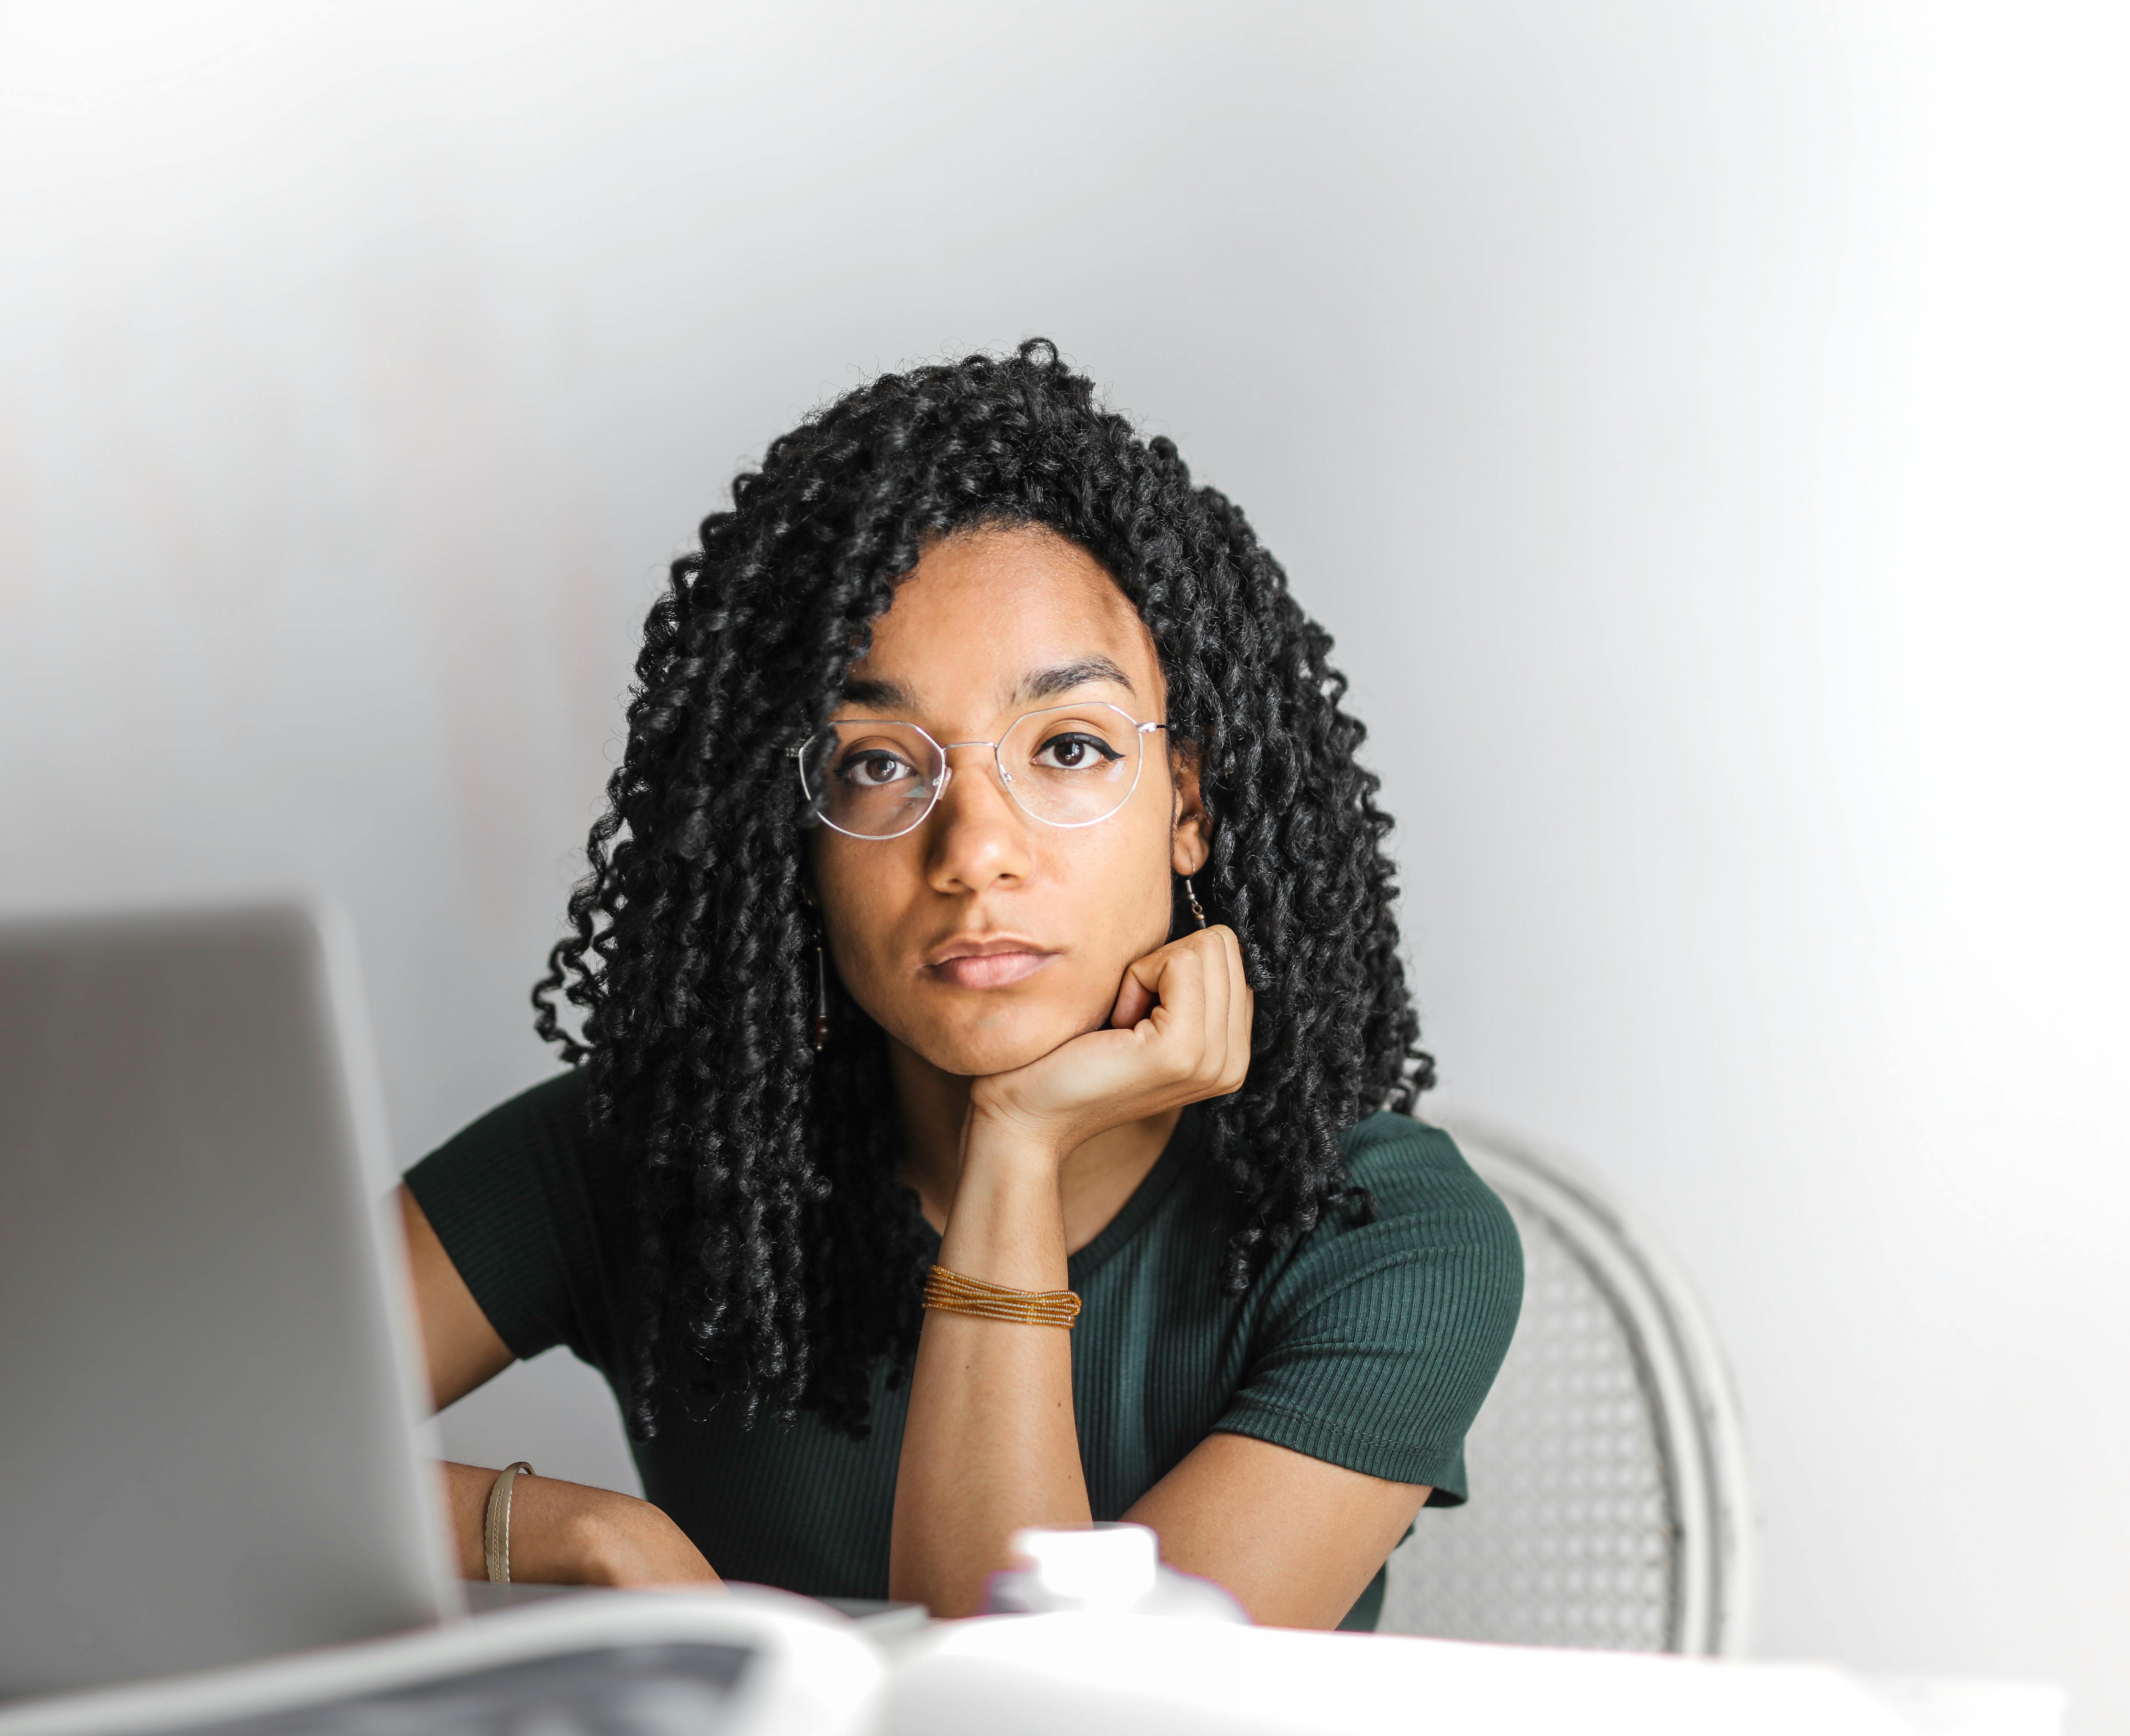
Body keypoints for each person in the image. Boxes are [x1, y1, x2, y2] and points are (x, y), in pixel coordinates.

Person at [403, 341, 1523, 1628]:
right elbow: (154, 1443)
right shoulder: (663, 1151)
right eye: (879, 763)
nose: (975, 849)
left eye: (1067, 746)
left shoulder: (1383, 1233)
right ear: (799, 832)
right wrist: (583, 1529)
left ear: (1188, 808)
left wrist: (1018, 1141)